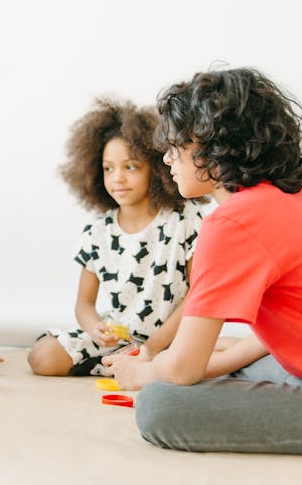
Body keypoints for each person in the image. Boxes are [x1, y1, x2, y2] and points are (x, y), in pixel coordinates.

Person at [104, 67, 302, 456]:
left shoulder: (234, 222)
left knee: (158, 404)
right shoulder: (293, 199)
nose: (168, 159)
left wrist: (145, 373)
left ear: (209, 146)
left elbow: (184, 370)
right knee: (223, 352)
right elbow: (285, 339)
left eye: (176, 146)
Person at [28, 98, 205, 376]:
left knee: (200, 352)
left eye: (130, 166)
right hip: (120, 339)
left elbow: (199, 292)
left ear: (156, 168)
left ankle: (146, 361)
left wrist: (155, 347)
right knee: (43, 356)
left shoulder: (183, 219)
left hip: (172, 338)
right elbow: (84, 303)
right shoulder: (97, 233)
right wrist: (94, 328)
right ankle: (123, 362)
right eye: (108, 168)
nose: (118, 178)